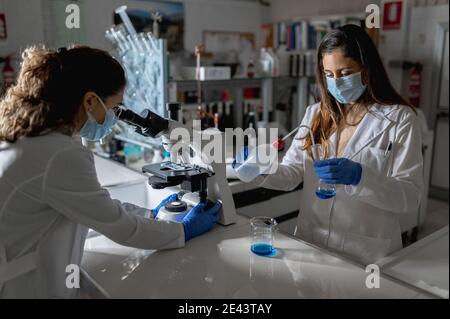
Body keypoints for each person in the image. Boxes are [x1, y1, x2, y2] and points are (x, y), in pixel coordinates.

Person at [0, 46, 221, 298]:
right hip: (26, 287)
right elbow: (119, 226)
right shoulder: (61, 154)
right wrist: (183, 231)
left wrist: (151, 213)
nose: (114, 118)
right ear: (90, 101)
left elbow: (92, 204)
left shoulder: (35, 137)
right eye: (114, 108)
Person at [233, 25, 423, 265]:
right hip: (312, 243)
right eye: (329, 74)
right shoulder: (315, 114)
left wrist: (360, 176)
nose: (336, 82)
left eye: (344, 73)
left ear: (366, 70)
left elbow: (410, 195)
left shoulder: (400, 119)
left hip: (366, 252)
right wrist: (258, 166)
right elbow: (292, 172)